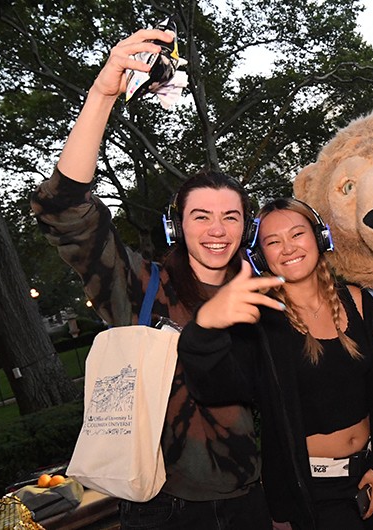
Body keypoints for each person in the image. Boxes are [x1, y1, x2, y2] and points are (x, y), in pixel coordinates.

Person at [30, 29, 283, 529]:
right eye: (201, 216)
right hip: (161, 509)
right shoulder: (142, 289)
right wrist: (103, 94)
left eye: (231, 217)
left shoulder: (266, 294)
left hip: (254, 503)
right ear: (177, 226)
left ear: (247, 227)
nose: (217, 230)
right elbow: (65, 212)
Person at [177, 198, 373, 530]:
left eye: (297, 234)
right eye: (273, 242)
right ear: (261, 257)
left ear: (320, 238)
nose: (288, 248)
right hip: (314, 494)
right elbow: (214, 387)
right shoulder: (260, 322)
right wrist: (204, 331)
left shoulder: (358, 300)